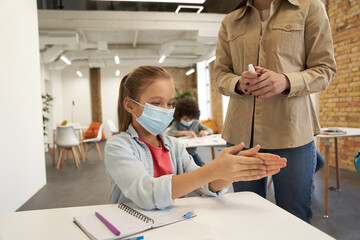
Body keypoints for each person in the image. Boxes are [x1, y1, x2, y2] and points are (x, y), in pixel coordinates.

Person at [214, 0, 337, 223]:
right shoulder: (230, 21)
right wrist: (239, 83)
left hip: (291, 133)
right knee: (246, 217)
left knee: (295, 217)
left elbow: (325, 69)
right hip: (240, 135)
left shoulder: (310, 7)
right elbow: (220, 74)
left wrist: (286, 80)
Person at [104, 65, 287, 210]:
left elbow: (207, 186)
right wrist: (212, 169)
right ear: (130, 105)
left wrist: (229, 171)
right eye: (156, 103)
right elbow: (146, 194)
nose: (166, 110)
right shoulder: (118, 146)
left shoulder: (174, 146)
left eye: (169, 103)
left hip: (170, 225)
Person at [167, 98, 213, 167]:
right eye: (185, 119)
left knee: (202, 166)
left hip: (192, 153)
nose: (188, 121)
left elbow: (210, 130)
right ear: (179, 116)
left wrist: (205, 132)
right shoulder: (177, 123)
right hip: (179, 155)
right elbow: (170, 133)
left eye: (190, 118)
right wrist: (184, 132)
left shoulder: (196, 123)